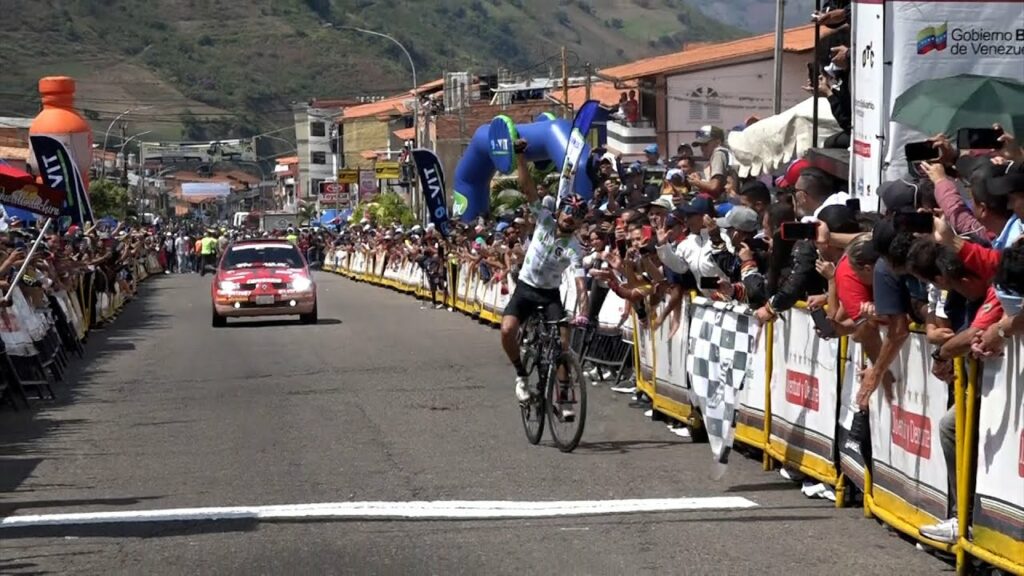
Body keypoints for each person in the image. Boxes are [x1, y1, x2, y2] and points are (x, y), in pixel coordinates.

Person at [499, 138, 589, 411]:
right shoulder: (545, 220)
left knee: (562, 346)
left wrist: (583, 312)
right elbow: (527, 189)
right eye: (568, 212)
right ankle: (521, 374)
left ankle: (563, 395)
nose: (570, 218)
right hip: (525, 289)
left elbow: (580, 284)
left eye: (576, 216)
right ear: (560, 212)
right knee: (507, 329)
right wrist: (520, 156)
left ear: (580, 221)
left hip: (549, 295)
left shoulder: (574, 247)